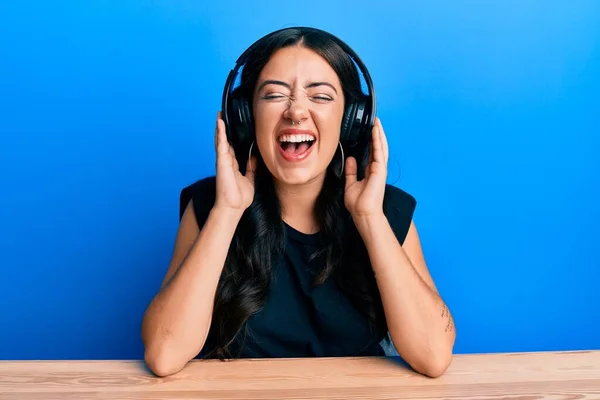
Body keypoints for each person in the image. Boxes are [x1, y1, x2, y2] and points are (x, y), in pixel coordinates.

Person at [141, 27, 455, 378]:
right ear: (245, 116)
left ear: (351, 120)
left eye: (320, 97)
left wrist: (369, 218)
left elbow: (433, 355)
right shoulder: (210, 206)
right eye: (274, 95)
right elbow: (164, 355)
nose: (296, 112)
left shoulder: (386, 211)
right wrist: (227, 212)